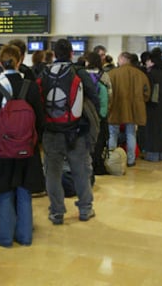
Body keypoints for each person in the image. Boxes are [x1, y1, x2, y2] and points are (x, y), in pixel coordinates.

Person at [0, 44, 44, 247]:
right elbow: (40, 120)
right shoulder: (31, 86)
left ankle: (5, 237)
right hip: (27, 148)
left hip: (1, 148)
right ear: (19, 61)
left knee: (4, 191)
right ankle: (25, 237)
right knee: (24, 191)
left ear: (0, 63)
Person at [41, 39, 99, 225]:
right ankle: (85, 209)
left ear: (54, 54)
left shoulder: (44, 72)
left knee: (52, 173)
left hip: (51, 131)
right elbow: (94, 98)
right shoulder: (79, 73)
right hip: (76, 131)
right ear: (71, 53)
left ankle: (57, 212)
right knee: (81, 171)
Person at [108, 52, 151, 167]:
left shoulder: (112, 74)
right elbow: (147, 94)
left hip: (115, 108)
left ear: (123, 59)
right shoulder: (140, 74)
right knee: (131, 133)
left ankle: (111, 160)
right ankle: (131, 160)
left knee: (113, 133)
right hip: (133, 109)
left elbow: (108, 93)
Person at [141, 50, 162, 161]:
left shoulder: (151, 74)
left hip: (152, 105)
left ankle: (152, 155)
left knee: (151, 130)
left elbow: (150, 91)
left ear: (152, 61)